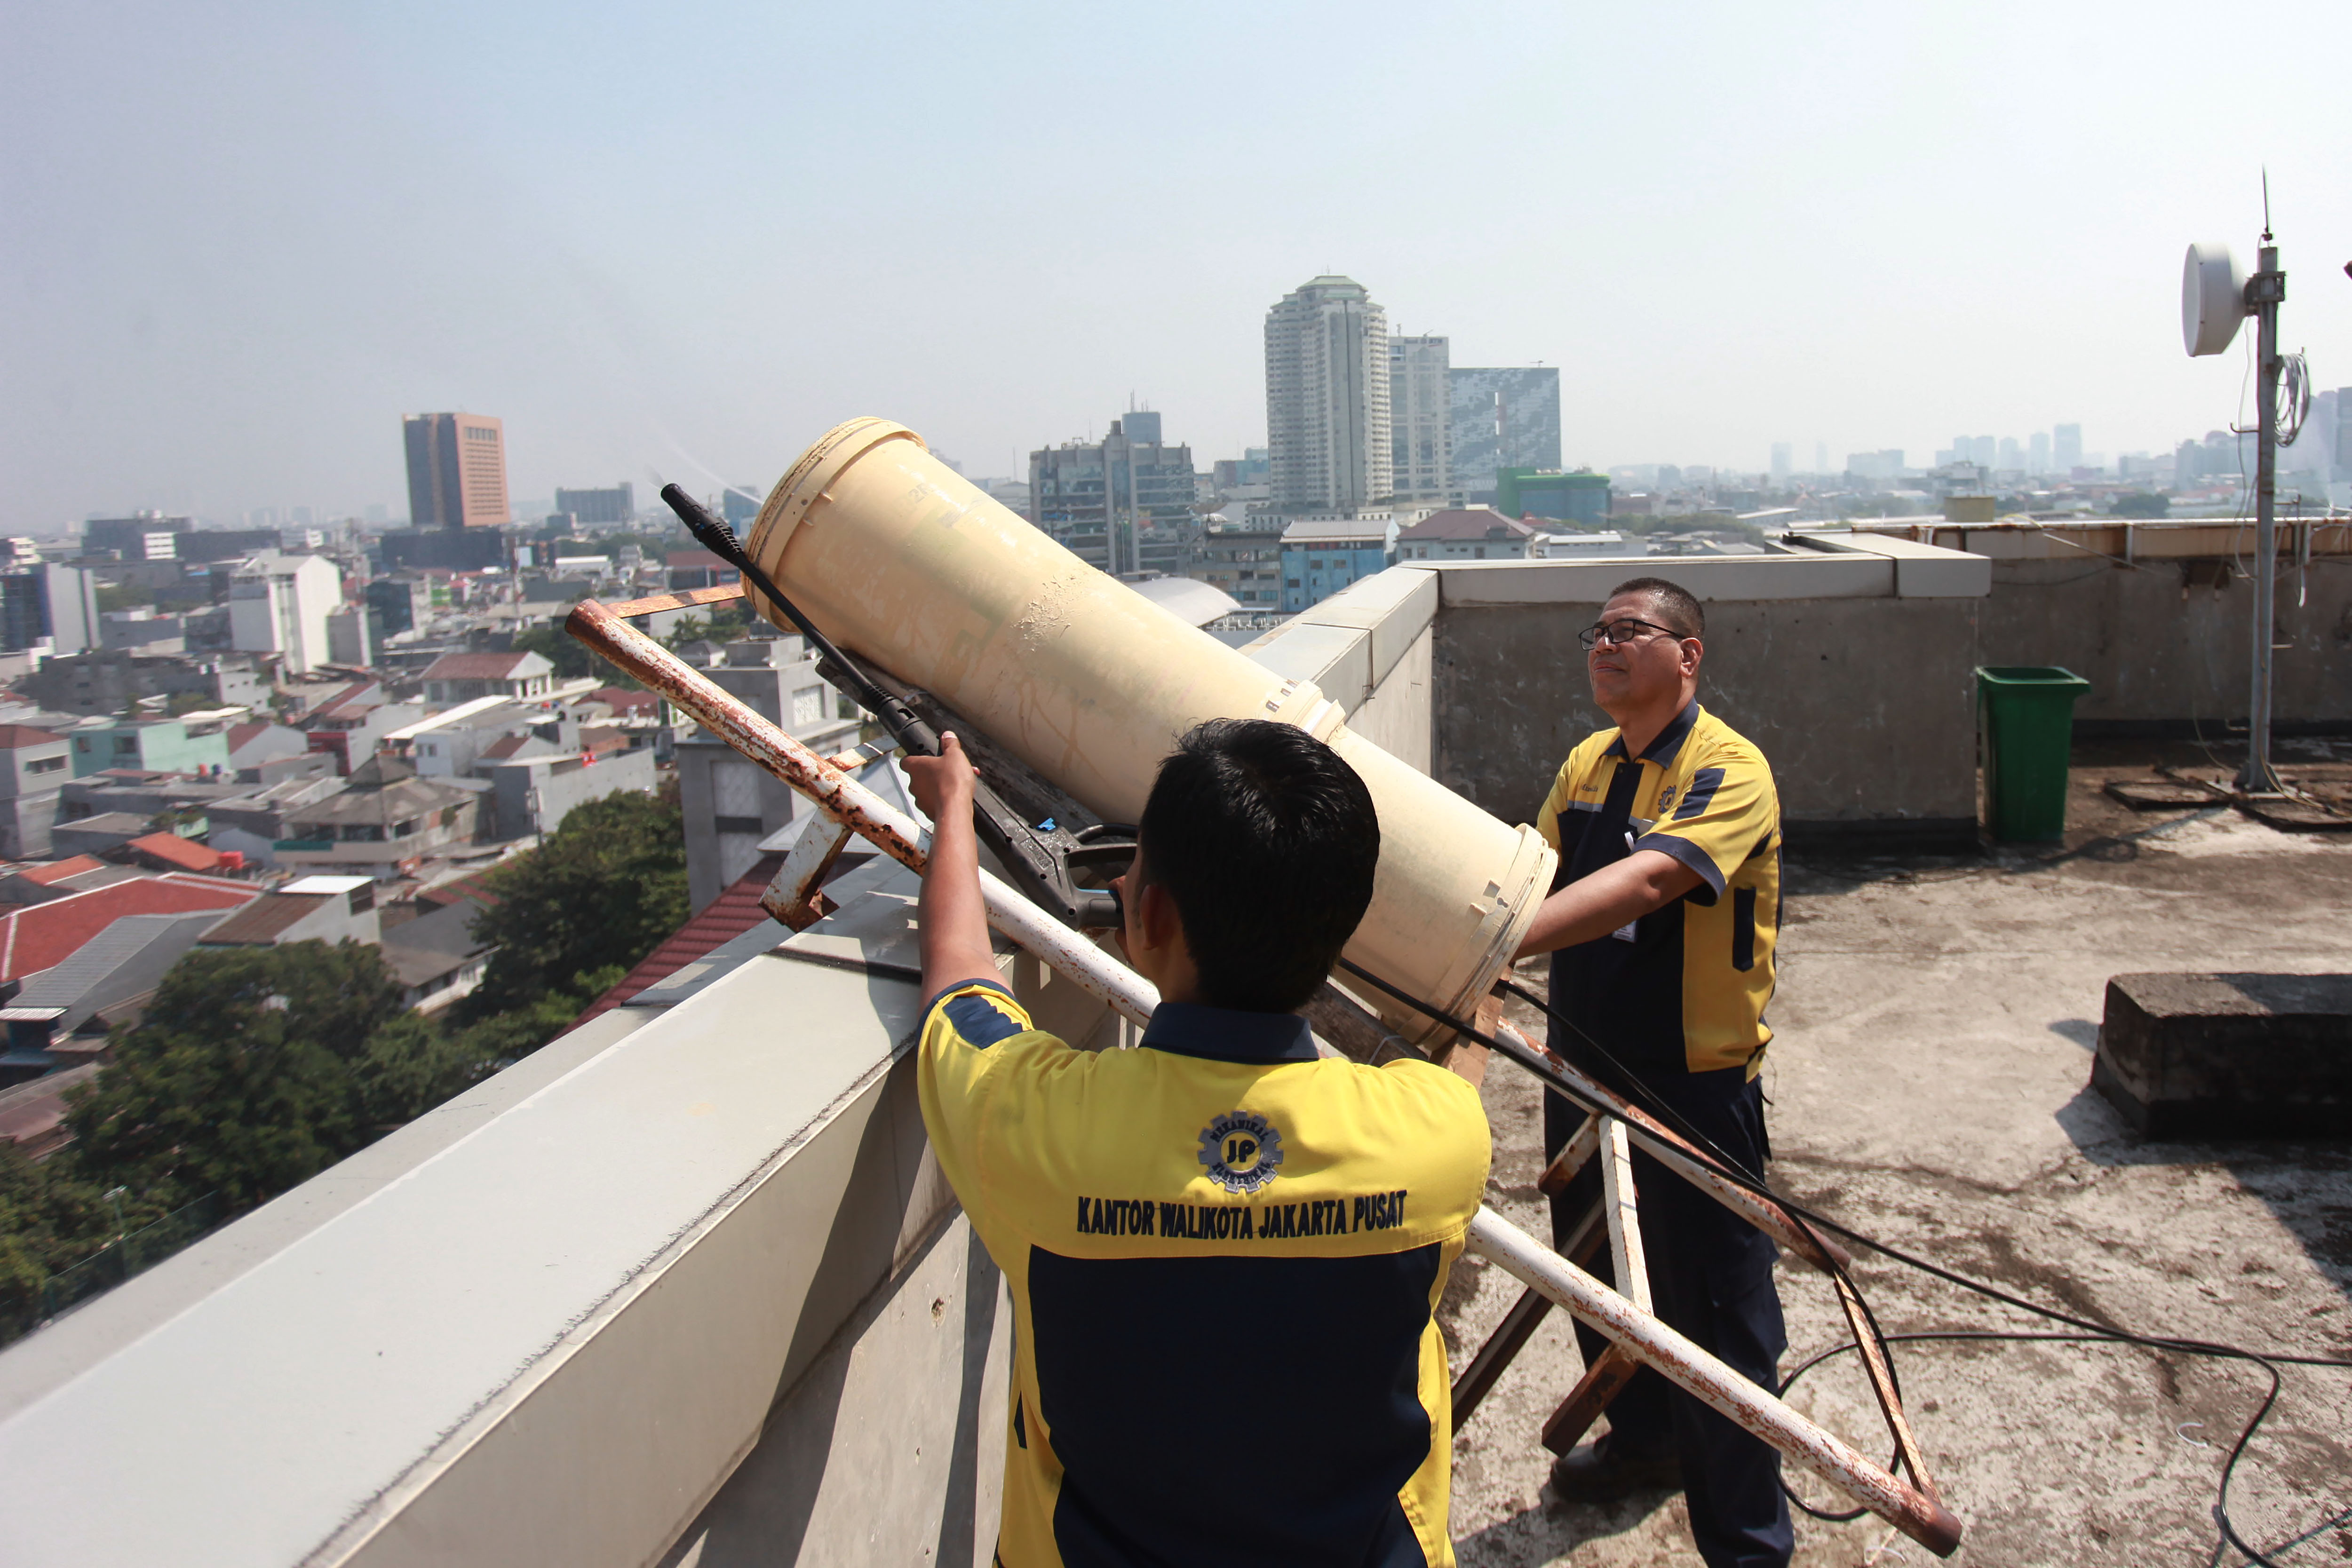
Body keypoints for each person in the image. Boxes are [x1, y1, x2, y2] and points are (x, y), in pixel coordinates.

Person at [905, 717, 1492, 1568]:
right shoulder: (1439, 1137)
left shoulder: (1032, 1125)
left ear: (1149, 912)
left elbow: (957, 978)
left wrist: (955, 810)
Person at [1514, 576, 1790, 1568]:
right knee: (1598, 1278)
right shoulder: (1587, 763)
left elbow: (1651, 877)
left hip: (1690, 1082)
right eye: (1597, 630)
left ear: (1688, 654)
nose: (1606, 645)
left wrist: (1495, 943)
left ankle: (1748, 1539)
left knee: (1715, 1307)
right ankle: (1645, 1441)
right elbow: (1533, 868)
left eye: (1632, 630)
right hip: (1583, 1062)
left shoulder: (1727, 767)